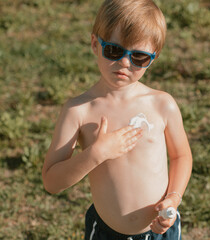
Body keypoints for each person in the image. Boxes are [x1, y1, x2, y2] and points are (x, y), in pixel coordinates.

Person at [41, 0, 192, 239]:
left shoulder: (162, 104)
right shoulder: (78, 110)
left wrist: (173, 198)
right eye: (114, 50)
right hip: (106, 233)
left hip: (162, 230)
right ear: (95, 44)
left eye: (139, 57)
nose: (124, 62)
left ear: (153, 58)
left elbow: (181, 156)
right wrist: (95, 154)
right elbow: (51, 181)